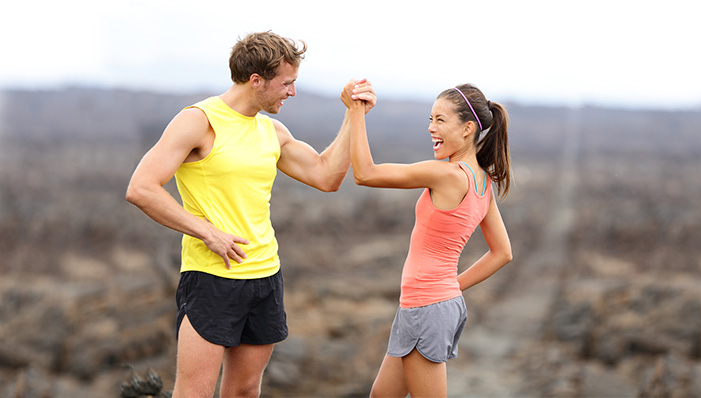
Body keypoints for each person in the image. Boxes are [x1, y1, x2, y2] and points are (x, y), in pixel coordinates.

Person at [125, 31, 376, 397]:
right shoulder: (199, 121)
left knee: (244, 391)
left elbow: (326, 176)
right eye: (286, 83)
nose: (292, 92)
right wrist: (207, 232)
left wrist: (354, 115)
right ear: (256, 80)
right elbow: (141, 187)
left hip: (265, 276)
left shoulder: (271, 130)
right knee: (194, 392)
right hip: (211, 277)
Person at [341, 81, 513, 397]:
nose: (431, 128)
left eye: (440, 120)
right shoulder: (482, 184)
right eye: (430, 119)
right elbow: (502, 253)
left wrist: (355, 113)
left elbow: (365, 173)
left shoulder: (446, 174)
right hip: (430, 303)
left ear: (467, 129)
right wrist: (449, 288)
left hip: (427, 307)